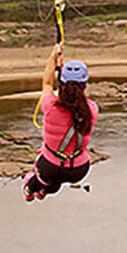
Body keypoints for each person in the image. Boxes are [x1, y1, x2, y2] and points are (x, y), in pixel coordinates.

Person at [25, 43, 98, 201]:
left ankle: (30, 190)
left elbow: (47, 84)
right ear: (85, 85)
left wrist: (53, 56)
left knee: (43, 177)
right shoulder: (92, 109)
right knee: (56, 181)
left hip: (50, 167)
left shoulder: (51, 106)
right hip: (79, 170)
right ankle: (43, 191)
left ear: (62, 83)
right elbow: (75, 104)